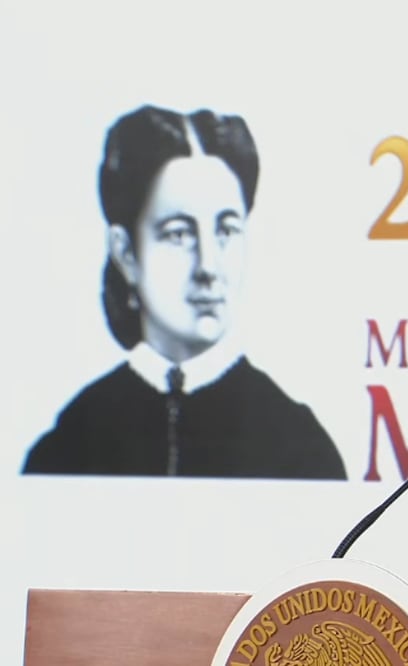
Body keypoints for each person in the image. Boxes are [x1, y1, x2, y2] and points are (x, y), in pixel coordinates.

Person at [22, 105, 347, 480]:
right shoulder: (72, 443)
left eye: (226, 231)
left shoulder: (298, 445)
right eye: (179, 234)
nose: (208, 266)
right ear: (125, 252)